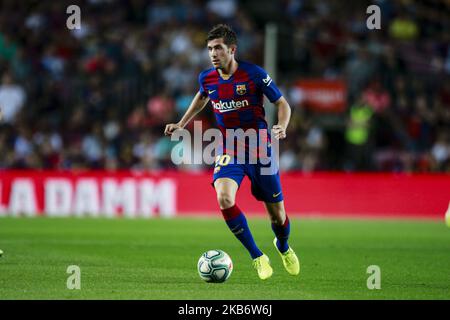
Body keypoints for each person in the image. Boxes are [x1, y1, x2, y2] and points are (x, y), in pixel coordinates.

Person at [164, 24, 299, 280]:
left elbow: (282, 103)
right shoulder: (207, 77)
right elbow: (202, 96)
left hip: (260, 149)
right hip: (229, 147)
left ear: (232, 50)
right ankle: (257, 256)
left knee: (278, 215)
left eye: (218, 48)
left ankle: (282, 246)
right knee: (224, 198)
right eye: (209, 49)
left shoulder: (254, 74)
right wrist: (181, 123)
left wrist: (281, 126)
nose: (213, 54)